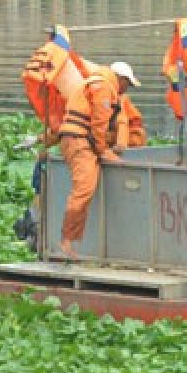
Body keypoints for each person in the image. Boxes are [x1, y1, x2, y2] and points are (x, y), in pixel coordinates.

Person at [56, 61, 141, 260]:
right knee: (84, 189)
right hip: (79, 143)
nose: (126, 89)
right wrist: (103, 151)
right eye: (127, 85)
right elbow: (99, 123)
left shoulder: (96, 84)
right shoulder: (104, 88)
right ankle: (67, 239)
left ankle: (70, 240)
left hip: (76, 140)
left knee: (85, 189)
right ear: (121, 80)